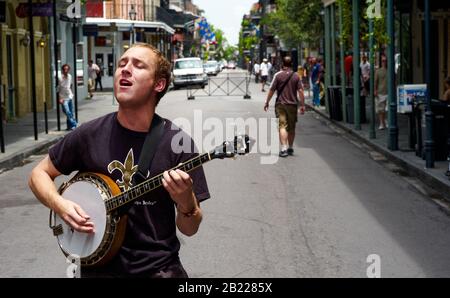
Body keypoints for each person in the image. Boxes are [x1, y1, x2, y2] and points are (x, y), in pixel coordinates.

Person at [28, 43, 210, 278]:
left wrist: (187, 204)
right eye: (122, 64)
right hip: (96, 270)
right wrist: (61, 205)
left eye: (138, 65)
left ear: (159, 84)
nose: (125, 69)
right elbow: (38, 175)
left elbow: (189, 229)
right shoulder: (89, 134)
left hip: (158, 270)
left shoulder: (178, 143)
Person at [263, 56, 305, 157]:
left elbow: (272, 90)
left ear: (282, 64)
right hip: (293, 105)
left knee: (282, 126)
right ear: (291, 64)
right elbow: (300, 91)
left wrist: (267, 102)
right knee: (292, 128)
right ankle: (290, 147)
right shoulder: (296, 76)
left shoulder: (278, 75)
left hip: (280, 105)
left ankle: (283, 149)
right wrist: (302, 105)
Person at [57, 64, 78, 131]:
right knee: (67, 111)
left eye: (67, 69)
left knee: (70, 112)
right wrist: (59, 98)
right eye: (64, 69)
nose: (66, 70)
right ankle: (74, 124)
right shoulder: (59, 77)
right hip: (63, 98)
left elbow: (70, 85)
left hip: (69, 96)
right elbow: (58, 88)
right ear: (62, 70)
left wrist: (71, 93)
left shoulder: (70, 76)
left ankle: (69, 127)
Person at [374, 55, 388, 129]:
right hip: (380, 92)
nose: (384, 62)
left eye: (385, 61)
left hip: (389, 92)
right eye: (383, 61)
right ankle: (381, 123)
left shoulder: (390, 70)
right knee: (381, 109)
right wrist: (375, 90)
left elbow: (394, 81)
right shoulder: (378, 71)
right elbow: (375, 82)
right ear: (380, 62)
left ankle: (385, 121)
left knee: (387, 109)